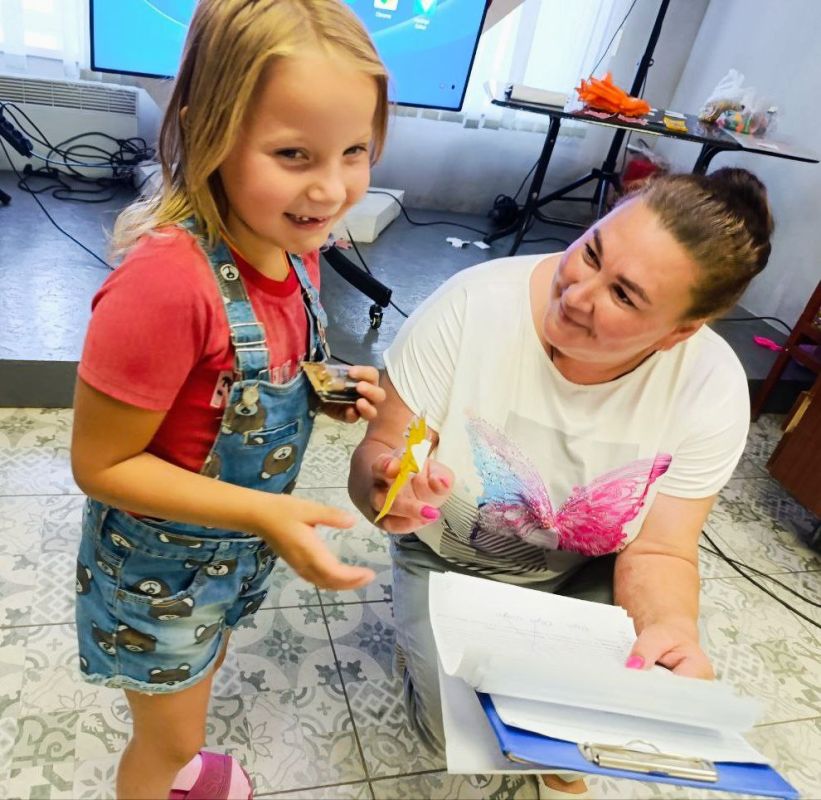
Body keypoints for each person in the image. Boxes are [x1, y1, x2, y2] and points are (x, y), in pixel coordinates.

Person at [349, 168, 774, 798]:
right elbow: (379, 451)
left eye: (624, 296)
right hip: (447, 558)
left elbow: (660, 549)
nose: (576, 295)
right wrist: (388, 489)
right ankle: (424, 655)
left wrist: (671, 630)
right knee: (458, 735)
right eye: (592, 252)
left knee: (588, 731)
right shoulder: (472, 305)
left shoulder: (710, 386)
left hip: (584, 574)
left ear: (680, 330)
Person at [71, 2, 389, 798]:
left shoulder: (293, 245)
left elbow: (248, 378)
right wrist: (267, 513)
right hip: (159, 571)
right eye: (293, 154)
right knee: (168, 738)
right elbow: (100, 464)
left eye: (354, 151)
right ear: (206, 128)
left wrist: (324, 389)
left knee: (196, 681)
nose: (331, 188)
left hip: (227, 553)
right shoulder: (164, 285)